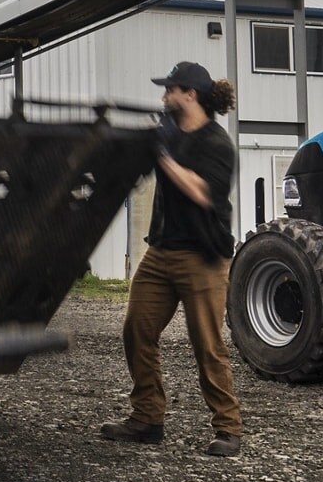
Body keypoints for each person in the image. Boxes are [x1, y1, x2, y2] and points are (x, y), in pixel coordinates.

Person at [102, 60, 244, 456]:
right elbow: (133, 160)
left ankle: (228, 428)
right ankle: (147, 417)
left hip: (203, 257)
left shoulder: (216, 144)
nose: (163, 96)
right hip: (161, 252)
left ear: (190, 95)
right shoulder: (166, 131)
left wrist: (162, 155)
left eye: (169, 90)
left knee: (207, 344)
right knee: (137, 330)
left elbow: (200, 192)